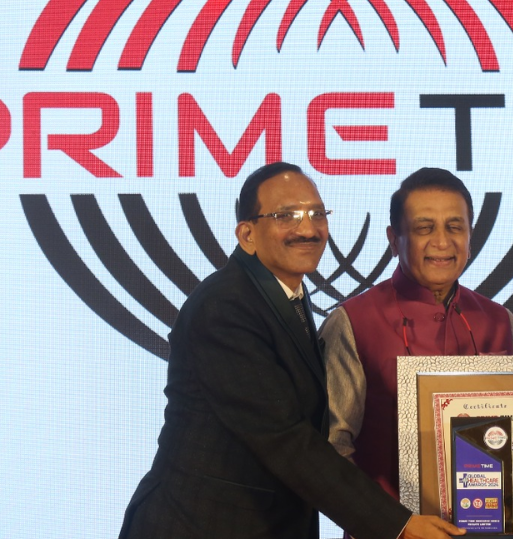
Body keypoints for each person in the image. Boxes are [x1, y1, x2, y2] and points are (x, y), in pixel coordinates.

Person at [118, 162, 464, 539]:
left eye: (317, 214)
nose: (307, 229)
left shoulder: (286, 296)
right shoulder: (225, 307)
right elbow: (285, 439)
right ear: (247, 234)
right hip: (201, 524)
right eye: (286, 216)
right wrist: (397, 524)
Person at [319, 167, 513, 499]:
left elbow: (509, 438)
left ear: (470, 238)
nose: (441, 242)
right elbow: (331, 447)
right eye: (424, 228)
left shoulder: (500, 322)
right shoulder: (353, 322)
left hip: (487, 518)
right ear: (393, 240)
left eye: (454, 227)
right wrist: (388, 520)